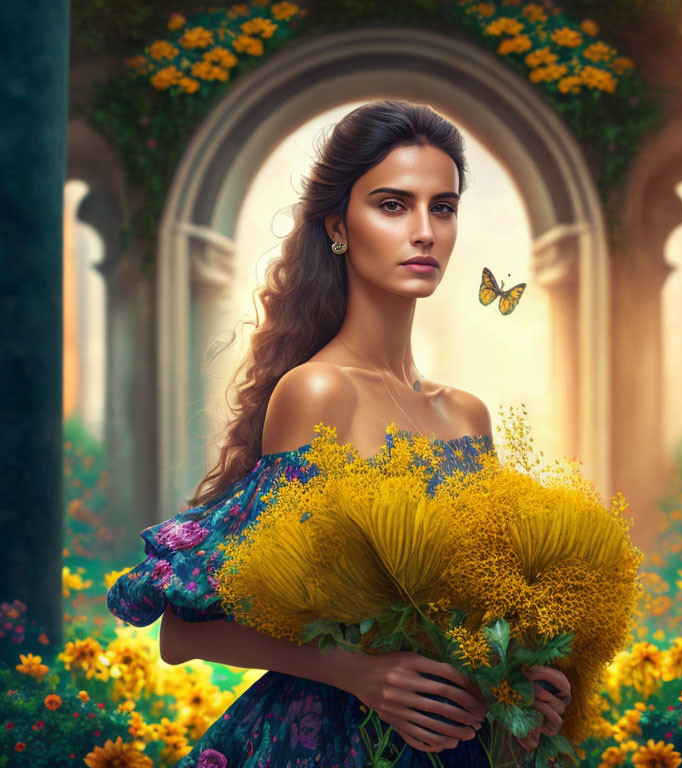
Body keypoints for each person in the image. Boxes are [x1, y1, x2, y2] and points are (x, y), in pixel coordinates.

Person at [108, 99, 571, 767]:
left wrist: (521, 686)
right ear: (338, 227)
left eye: (442, 207)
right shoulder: (320, 393)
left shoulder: (468, 417)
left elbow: (482, 613)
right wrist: (361, 675)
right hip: (333, 742)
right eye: (392, 205)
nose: (424, 231)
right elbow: (184, 631)